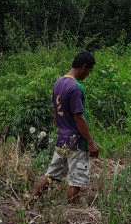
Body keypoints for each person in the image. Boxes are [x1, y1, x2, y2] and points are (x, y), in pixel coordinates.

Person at [28, 51, 100, 205]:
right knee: (76, 181)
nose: (88, 74)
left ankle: (28, 205)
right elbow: (79, 117)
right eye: (89, 71)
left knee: (50, 175)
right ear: (83, 67)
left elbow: (56, 113)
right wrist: (90, 142)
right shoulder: (75, 88)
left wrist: (62, 130)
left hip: (63, 140)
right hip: (77, 142)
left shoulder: (58, 83)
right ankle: (72, 215)